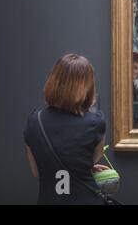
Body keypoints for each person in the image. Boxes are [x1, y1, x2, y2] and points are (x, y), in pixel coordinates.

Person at [24, 54, 108, 205]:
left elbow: (37, 172)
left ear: (54, 81)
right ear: (88, 86)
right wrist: (79, 168)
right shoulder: (96, 122)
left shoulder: (34, 121)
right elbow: (93, 158)